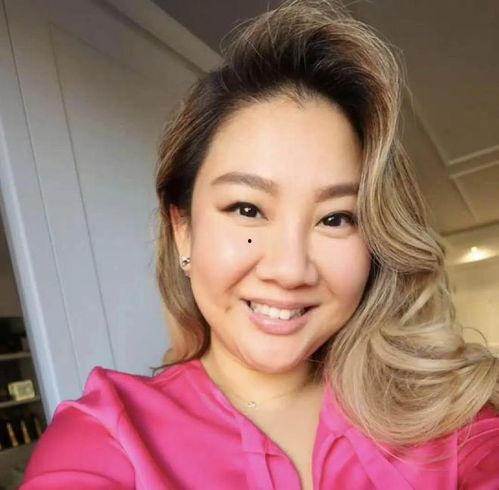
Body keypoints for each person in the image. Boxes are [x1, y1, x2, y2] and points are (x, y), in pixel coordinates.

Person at [20, 0, 498, 488]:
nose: (290, 270)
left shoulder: (448, 416)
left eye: (336, 218)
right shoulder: (108, 438)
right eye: (247, 210)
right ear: (183, 229)